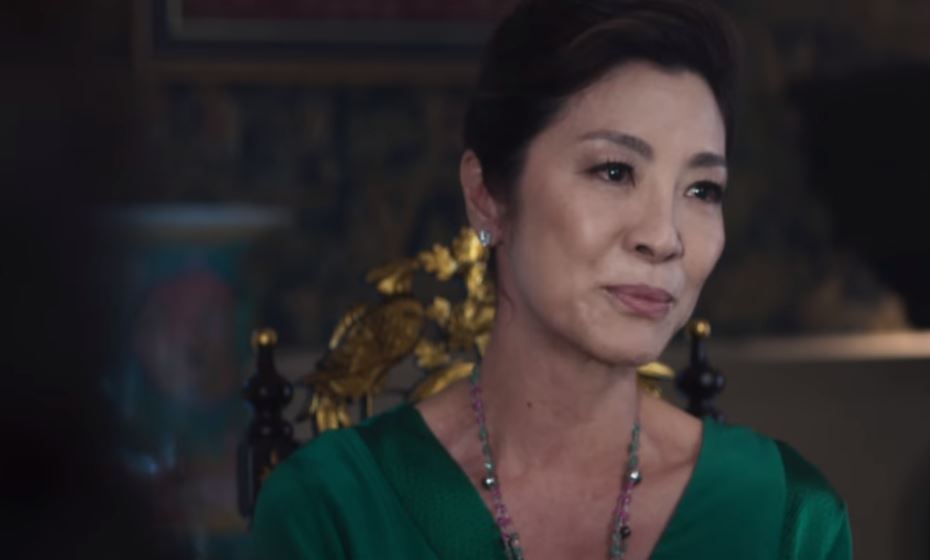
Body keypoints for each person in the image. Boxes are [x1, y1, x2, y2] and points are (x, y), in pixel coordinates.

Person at [250, 1, 852, 558]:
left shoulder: (785, 517)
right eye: (614, 171)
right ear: (487, 196)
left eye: (702, 190)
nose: (664, 236)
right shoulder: (334, 510)